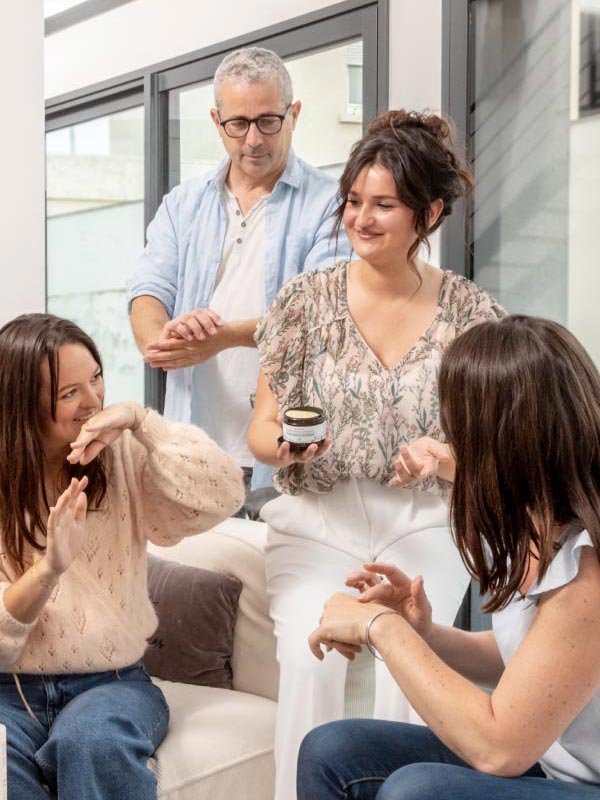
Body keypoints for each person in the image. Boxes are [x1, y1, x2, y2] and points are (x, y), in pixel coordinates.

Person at [247, 109, 505, 800]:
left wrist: (443, 459)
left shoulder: (473, 318)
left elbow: (495, 447)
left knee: (407, 667)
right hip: (315, 522)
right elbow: (261, 430)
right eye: (354, 201)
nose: (361, 218)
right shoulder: (303, 302)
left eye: (383, 204)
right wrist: (292, 447)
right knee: (309, 665)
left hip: (423, 523)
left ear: (430, 211)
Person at [300, 314, 600, 800]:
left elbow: (501, 747)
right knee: (333, 749)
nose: (449, 435)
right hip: (554, 768)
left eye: (459, 425)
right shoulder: (534, 519)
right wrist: (426, 634)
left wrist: (382, 628)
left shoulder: (587, 568)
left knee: (419, 792)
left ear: (504, 439)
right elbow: (534, 666)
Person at [0, 313, 243, 800]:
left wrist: (142, 420)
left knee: (91, 739)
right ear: (22, 406)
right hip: (9, 692)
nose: (93, 401)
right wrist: (49, 569)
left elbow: (224, 492)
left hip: (112, 685)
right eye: (69, 393)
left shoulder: (123, 454)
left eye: (96, 378)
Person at [127, 46, 352, 495]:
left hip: (284, 458)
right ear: (217, 122)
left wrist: (221, 337)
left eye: (268, 120)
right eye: (238, 124)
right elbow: (147, 291)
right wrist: (164, 340)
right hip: (190, 453)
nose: (253, 139)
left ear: (295, 114)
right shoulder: (182, 203)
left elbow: (319, 318)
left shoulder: (333, 204)